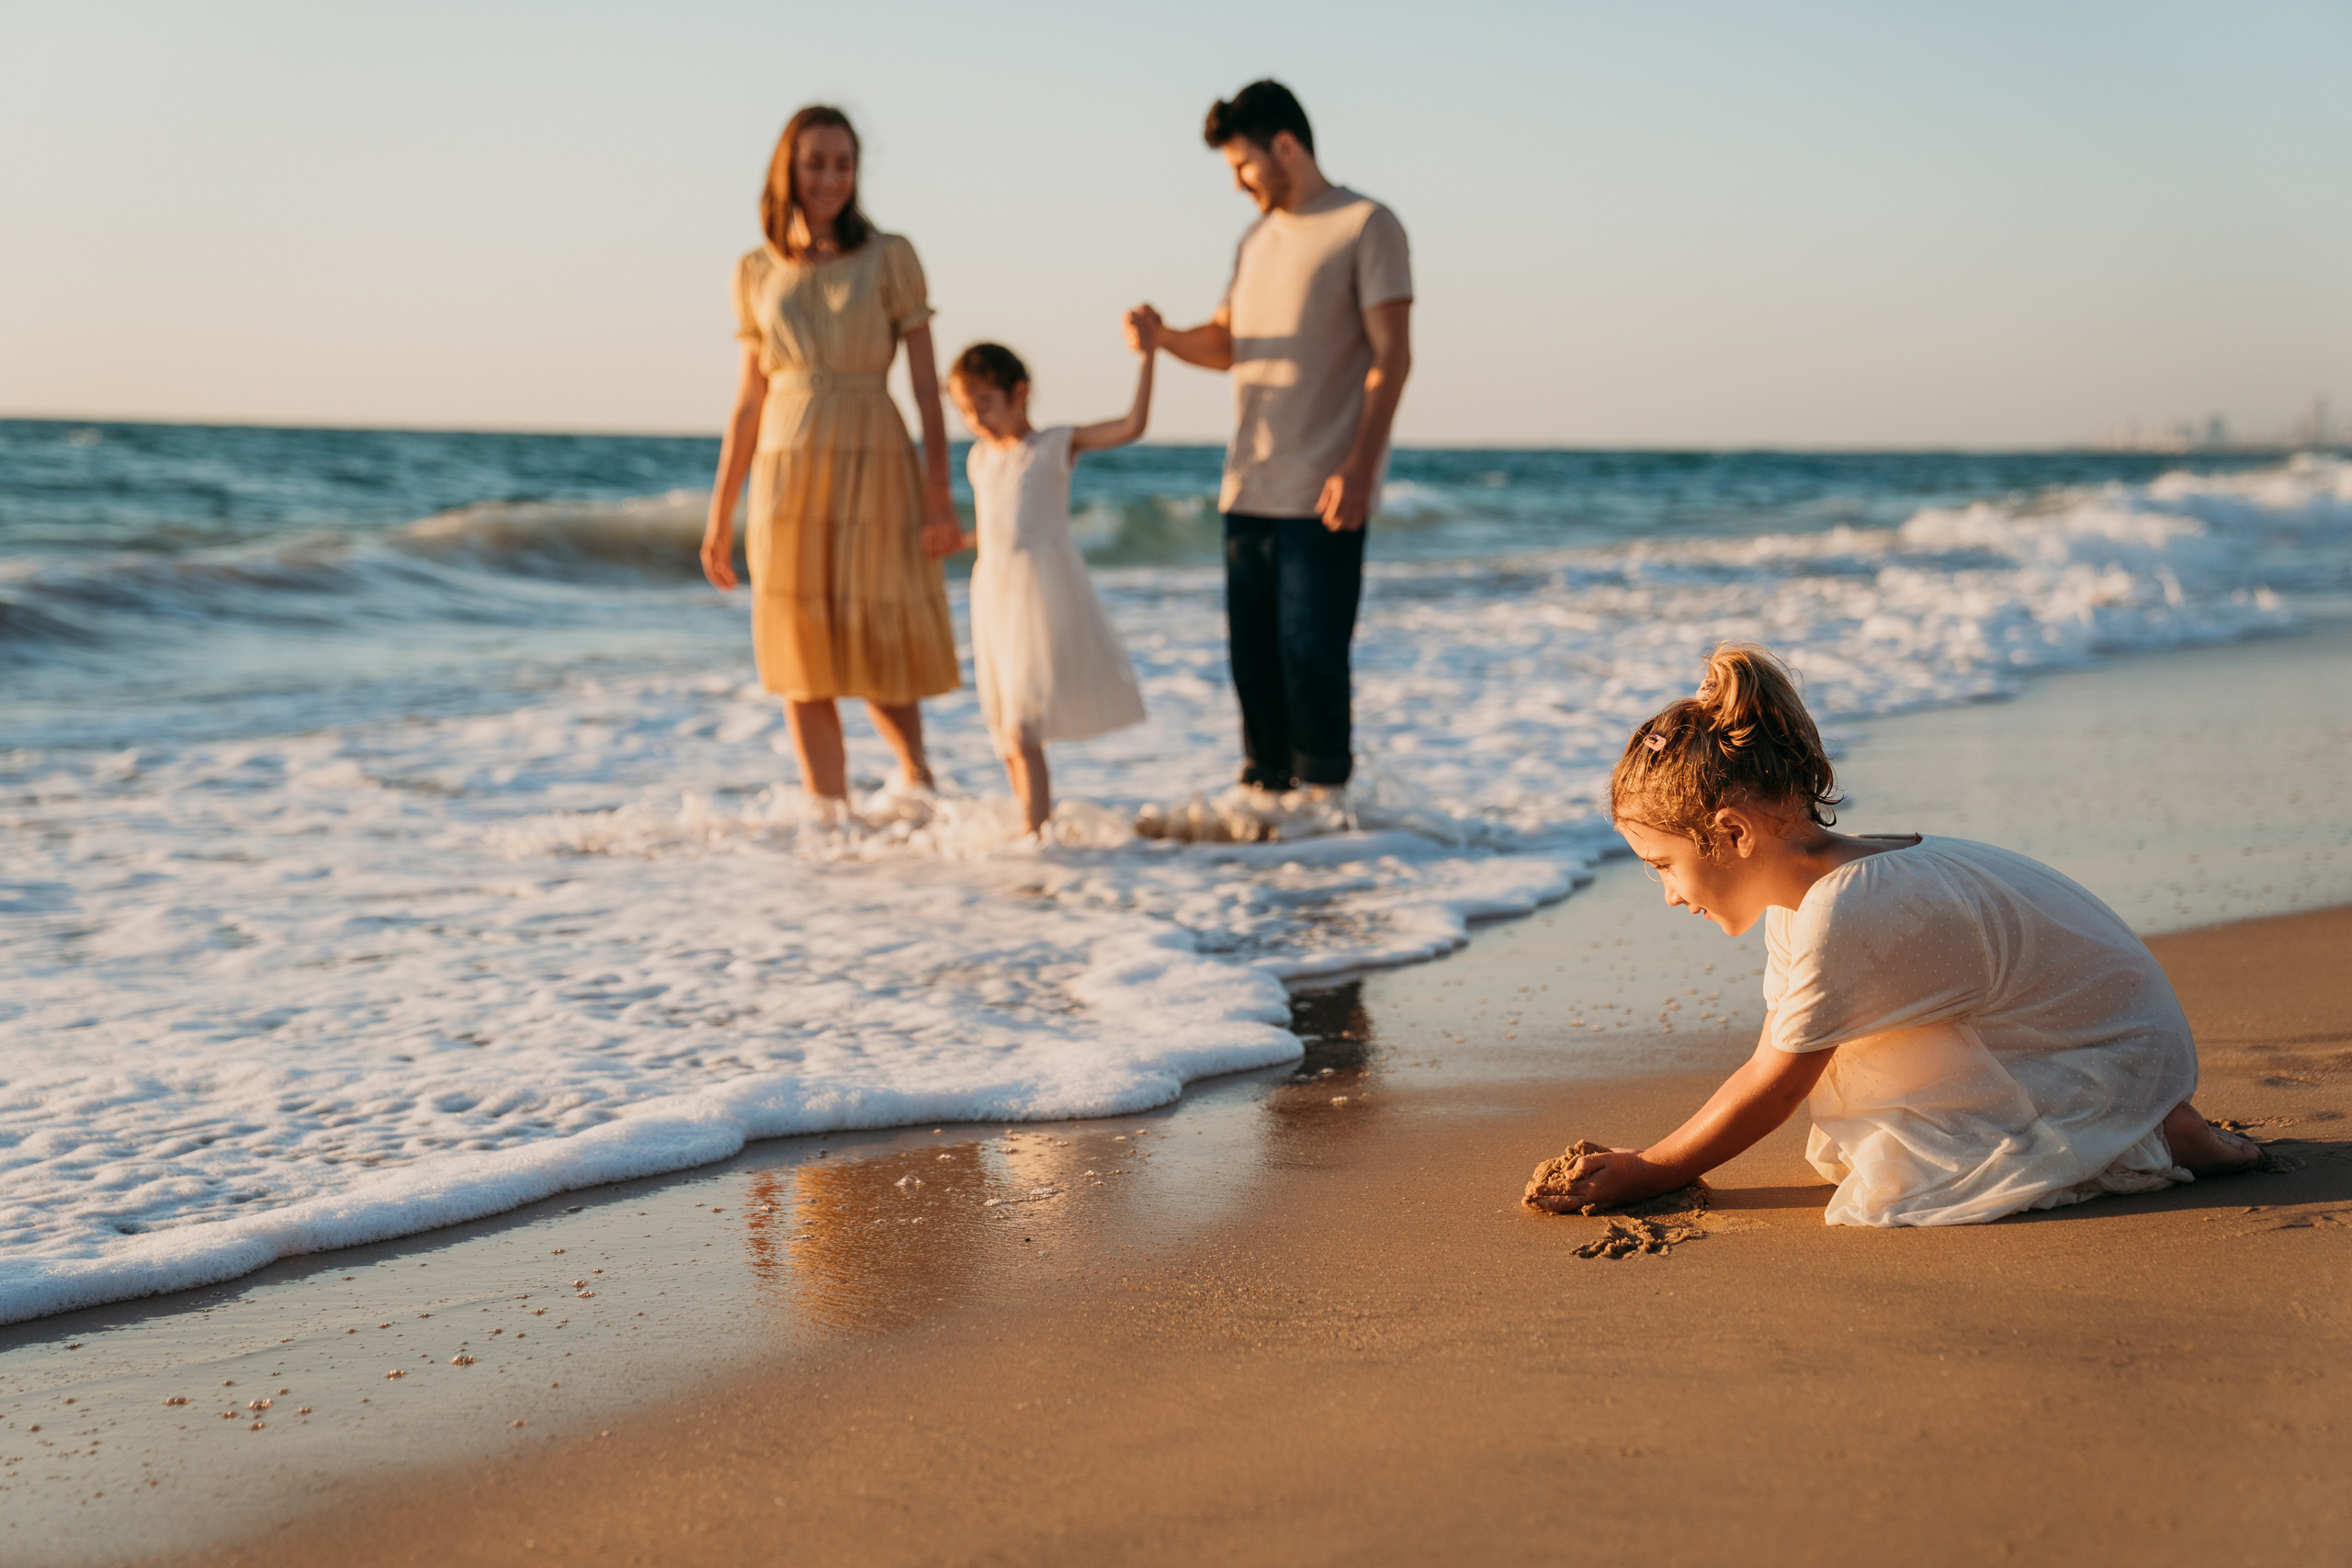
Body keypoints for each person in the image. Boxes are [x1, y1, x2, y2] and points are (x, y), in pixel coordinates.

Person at [1532, 642, 2263, 1227]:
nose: (1667, 894)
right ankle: (2155, 1118)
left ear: (1731, 831)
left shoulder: (1843, 910)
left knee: (1908, 1167)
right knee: (1859, 1048)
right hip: (2116, 1033)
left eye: (1665, 866)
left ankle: (2154, 1131)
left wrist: (1653, 1167)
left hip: (2117, 1055)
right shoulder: (1820, 883)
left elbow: (1774, 1084)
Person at [1143, 79, 1412, 818]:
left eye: (1243, 165)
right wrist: (1164, 338)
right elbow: (1229, 342)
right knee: (1253, 665)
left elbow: (1394, 356)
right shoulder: (1256, 239)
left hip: (1325, 487)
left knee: (1311, 658)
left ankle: (1328, 819)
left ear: (1284, 146)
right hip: (1248, 486)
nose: (1236, 182)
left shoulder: (1366, 224)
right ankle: (1268, 820)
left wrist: (1359, 468)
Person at [699, 106, 965, 826]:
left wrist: (940, 494)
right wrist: (720, 513)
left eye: (843, 164)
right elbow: (747, 403)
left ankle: (917, 784)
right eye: (816, 162)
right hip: (785, 464)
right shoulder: (754, 270)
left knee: (877, 626)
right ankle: (830, 824)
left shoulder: (891, 256)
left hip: (874, 452)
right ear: (788, 167)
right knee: (799, 642)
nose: (829, 178)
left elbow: (925, 390)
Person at [946, 328, 1155, 835]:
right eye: (965, 410)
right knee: (1004, 729)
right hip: (993, 595)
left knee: (1022, 729)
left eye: (986, 405)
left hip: (1040, 596)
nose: (976, 420)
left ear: (1019, 393)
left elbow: (1131, 425)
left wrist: (1149, 357)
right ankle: (1029, 825)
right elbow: (1003, 525)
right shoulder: (980, 459)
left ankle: (1036, 839)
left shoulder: (1055, 444)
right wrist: (963, 540)